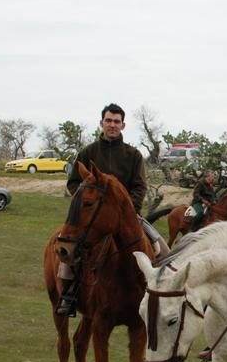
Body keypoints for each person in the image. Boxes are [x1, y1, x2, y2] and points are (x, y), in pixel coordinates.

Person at [57, 103, 164, 317]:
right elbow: (73, 183)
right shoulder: (88, 152)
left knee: (161, 248)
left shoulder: (133, 155)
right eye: (108, 121)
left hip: (128, 217)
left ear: (123, 125)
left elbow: (140, 186)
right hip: (93, 219)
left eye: (116, 121)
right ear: (101, 123)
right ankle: (68, 296)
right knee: (67, 251)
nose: (112, 125)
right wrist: (87, 201)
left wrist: (127, 210)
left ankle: (160, 295)